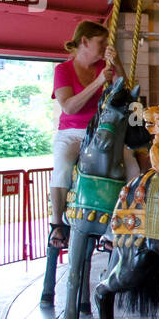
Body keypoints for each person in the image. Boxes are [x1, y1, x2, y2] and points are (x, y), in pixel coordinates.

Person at [48, 20, 135, 250]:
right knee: (63, 164)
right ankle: (57, 223)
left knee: (132, 165)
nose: (106, 46)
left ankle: (119, 224)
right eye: (102, 42)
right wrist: (98, 82)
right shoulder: (63, 70)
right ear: (84, 41)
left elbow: (125, 92)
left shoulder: (104, 67)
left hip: (100, 132)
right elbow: (68, 106)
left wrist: (116, 64)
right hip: (73, 132)